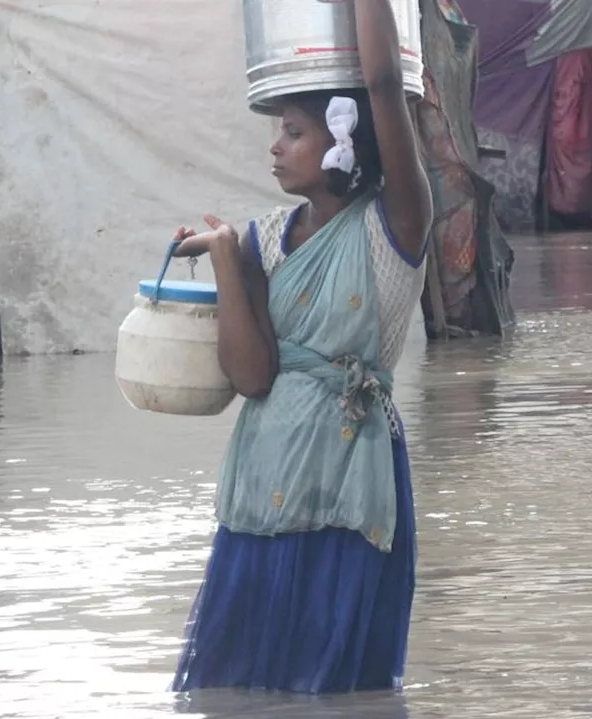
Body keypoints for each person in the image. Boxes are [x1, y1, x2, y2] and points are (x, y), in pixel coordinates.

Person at [165, 0, 432, 694]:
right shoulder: (268, 239)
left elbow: (381, 88)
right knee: (245, 685)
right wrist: (224, 257)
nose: (276, 147)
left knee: (336, 685)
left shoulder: (396, 223)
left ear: (345, 140)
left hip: (349, 477)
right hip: (264, 476)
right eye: (279, 131)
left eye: (294, 132)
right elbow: (252, 376)